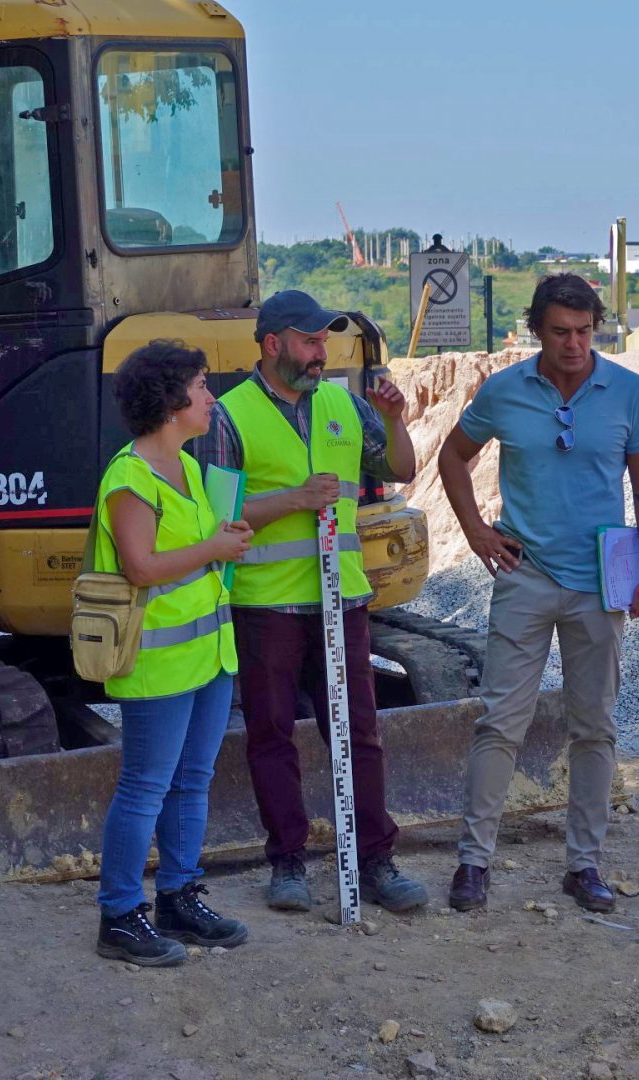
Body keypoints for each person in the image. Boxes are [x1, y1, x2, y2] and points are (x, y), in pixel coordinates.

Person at [436, 273, 639, 914]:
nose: (574, 344)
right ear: (537, 330)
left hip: (600, 581)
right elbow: (453, 457)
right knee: (500, 722)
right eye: (561, 332)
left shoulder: (628, 391)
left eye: (585, 331)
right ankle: (474, 862)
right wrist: (477, 532)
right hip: (525, 575)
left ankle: (584, 864)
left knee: (594, 727)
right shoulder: (505, 391)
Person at [200, 289, 429, 913]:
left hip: (343, 602)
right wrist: (294, 501)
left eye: (323, 340)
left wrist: (396, 419)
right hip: (267, 605)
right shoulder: (228, 416)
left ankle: (377, 861)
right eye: (308, 340)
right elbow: (218, 518)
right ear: (272, 344)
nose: (319, 352)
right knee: (271, 735)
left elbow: (403, 468)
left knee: (358, 732)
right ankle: (288, 864)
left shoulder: (343, 405)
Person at [93, 340, 255, 968]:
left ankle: (179, 896)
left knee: (191, 781)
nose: (210, 397)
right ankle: (119, 914)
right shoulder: (129, 478)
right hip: (159, 664)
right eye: (201, 385)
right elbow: (141, 568)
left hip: (210, 658)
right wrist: (216, 548)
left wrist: (224, 539)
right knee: (144, 789)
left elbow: (196, 549)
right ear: (170, 401)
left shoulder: (186, 469)